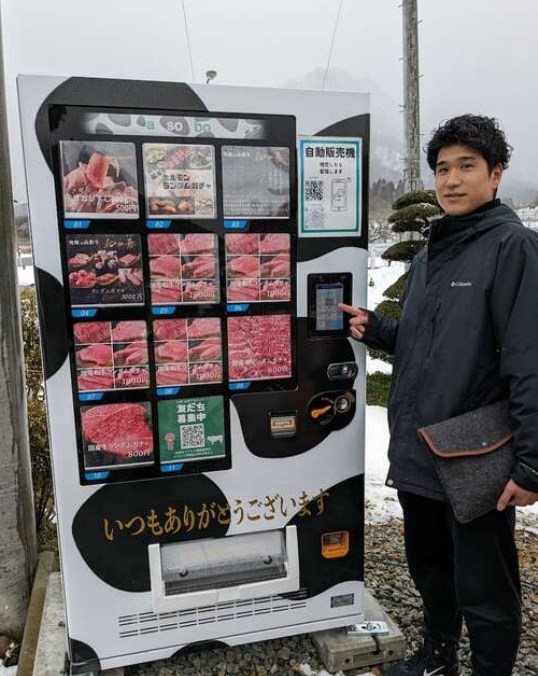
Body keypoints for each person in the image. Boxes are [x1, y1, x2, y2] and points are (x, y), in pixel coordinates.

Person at [339, 114, 538, 676]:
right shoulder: (432, 256)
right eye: (442, 168)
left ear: (496, 174)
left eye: (466, 167)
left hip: (476, 457)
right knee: (430, 567)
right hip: (420, 446)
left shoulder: (514, 249)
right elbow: (431, 343)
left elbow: (529, 361)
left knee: (485, 582)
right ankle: (438, 655)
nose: (450, 180)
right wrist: (379, 330)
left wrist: (531, 463)